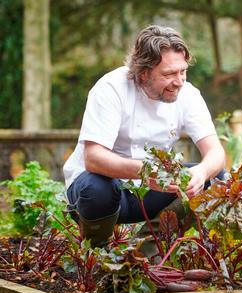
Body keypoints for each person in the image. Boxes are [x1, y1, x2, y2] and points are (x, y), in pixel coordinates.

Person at [64, 25, 225, 248]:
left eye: (183, 71)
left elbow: (216, 153)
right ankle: (96, 251)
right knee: (96, 188)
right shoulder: (111, 88)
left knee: (214, 179)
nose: (179, 81)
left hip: (152, 191)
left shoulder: (187, 93)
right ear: (144, 73)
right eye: (169, 74)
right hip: (102, 193)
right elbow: (94, 158)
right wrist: (148, 172)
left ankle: (148, 248)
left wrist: (201, 172)